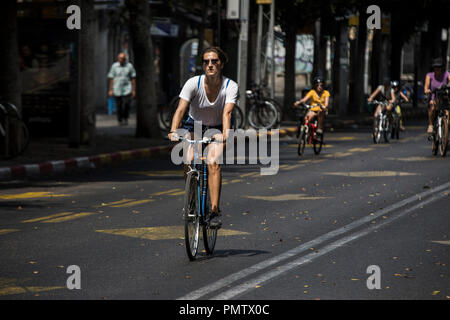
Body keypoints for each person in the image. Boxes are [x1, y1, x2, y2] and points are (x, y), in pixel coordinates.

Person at [168, 47, 238, 229]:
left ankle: (214, 210)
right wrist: (174, 130)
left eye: (214, 61)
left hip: (217, 127)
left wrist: (225, 134)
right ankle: (191, 198)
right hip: (194, 126)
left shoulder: (230, 86)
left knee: (213, 162)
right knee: (189, 159)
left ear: (221, 64)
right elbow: (181, 109)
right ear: (202, 65)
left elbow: (227, 113)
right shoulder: (193, 83)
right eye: (206, 62)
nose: (210, 65)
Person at [108, 53, 136, 126]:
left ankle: (125, 117)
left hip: (127, 88)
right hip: (117, 88)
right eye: (120, 58)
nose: (121, 60)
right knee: (119, 105)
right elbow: (111, 78)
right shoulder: (114, 66)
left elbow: (133, 78)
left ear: (125, 59)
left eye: (123, 59)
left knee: (126, 104)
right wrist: (110, 89)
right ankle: (120, 119)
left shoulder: (129, 66)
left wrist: (133, 90)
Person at [424, 57, 450, 134]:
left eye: (439, 67)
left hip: (445, 97)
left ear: (442, 68)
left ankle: (446, 134)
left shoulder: (447, 74)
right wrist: (426, 90)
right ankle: (431, 125)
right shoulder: (429, 75)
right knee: (432, 105)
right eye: (435, 67)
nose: (437, 69)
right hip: (434, 96)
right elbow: (426, 86)